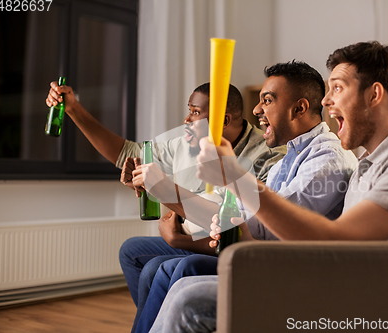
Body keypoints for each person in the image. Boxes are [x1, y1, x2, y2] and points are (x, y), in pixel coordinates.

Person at [148, 41, 388, 333]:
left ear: (375, 95)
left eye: (337, 88)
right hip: (338, 282)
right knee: (179, 285)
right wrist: (242, 234)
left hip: (374, 302)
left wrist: (236, 176)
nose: (326, 101)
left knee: (188, 298)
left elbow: (337, 245)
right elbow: (318, 245)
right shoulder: (370, 164)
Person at [130, 60, 358, 333]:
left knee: (177, 269)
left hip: (285, 271)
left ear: (299, 108)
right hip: (259, 257)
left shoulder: (327, 159)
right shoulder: (289, 159)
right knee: (149, 260)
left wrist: (171, 193)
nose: (256, 109)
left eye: (268, 100)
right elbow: (239, 215)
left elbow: (260, 227)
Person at [45, 82, 285, 325]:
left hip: (224, 244)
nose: (186, 119)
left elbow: (243, 233)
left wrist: (176, 234)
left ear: (223, 120)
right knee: (131, 250)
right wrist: (73, 108)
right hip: (194, 237)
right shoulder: (186, 142)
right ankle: (160, 323)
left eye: (195, 112)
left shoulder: (266, 157)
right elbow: (129, 152)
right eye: (189, 110)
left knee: (155, 269)